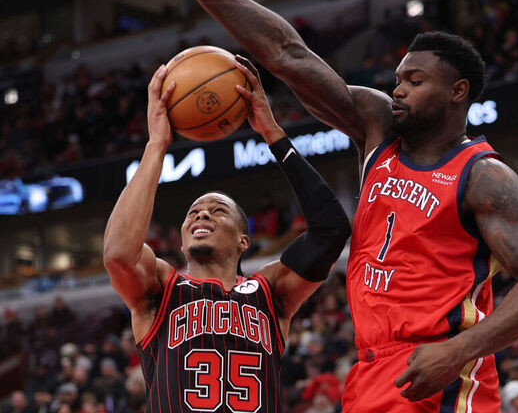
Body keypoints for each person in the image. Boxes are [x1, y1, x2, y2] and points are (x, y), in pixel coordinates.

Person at [108, 0, 518, 411]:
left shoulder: (484, 176)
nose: (399, 89)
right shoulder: (377, 129)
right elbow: (288, 55)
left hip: (441, 363)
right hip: (369, 370)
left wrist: (461, 350)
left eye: (415, 81)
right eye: (399, 78)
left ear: (457, 91)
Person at [102, 60, 351, 412]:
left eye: (218, 210)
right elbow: (118, 254)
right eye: (193, 213)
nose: (201, 213)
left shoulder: (272, 290)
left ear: (243, 241)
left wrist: (273, 134)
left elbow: (331, 230)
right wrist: (156, 145)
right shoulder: (161, 288)